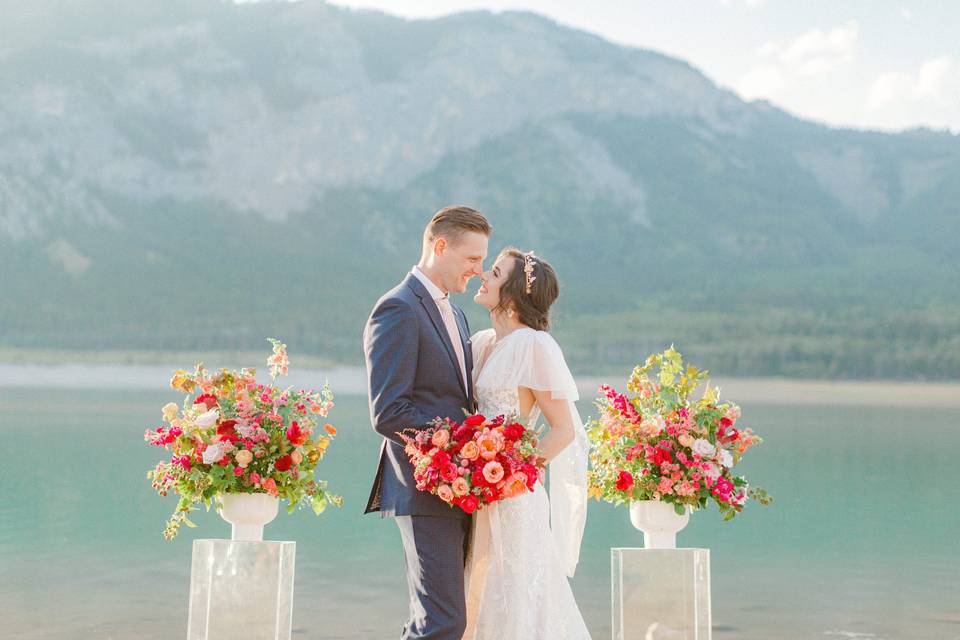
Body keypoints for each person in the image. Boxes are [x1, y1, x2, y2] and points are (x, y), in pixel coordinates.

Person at [363, 205, 491, 640]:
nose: (479, 270)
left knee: (436, 620)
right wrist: (460, 448)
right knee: (443, 623)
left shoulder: (456, 314)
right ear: (440, 247)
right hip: (422, 487)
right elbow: (388, 410)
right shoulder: (398, 308)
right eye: (472, 259)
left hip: (460, 488)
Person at [463, 247, 591, 639]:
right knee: (475, 590)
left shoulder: (534, 346)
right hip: (474, 491)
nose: (484, 275)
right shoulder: (483, 342)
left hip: (513, 496)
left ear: (515, 293)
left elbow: (563, 429)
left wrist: (510, 475)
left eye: (496, 273)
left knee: (514, 594)